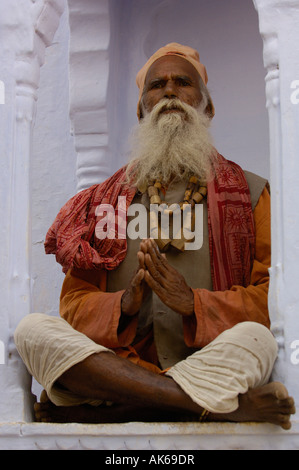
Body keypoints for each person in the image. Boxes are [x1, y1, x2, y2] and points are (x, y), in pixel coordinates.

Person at [14, 43, 295, 428]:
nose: (169, 92)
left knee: (256, 341)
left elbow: (273, 301)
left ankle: (126, 406)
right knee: (32, 331)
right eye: (156, 85)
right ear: (141, 109)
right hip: (121, 365)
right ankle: (206, 406)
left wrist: (194, 304)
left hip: (205, 363)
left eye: (183, 82)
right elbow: (75, 305)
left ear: (207, 108)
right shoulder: (104, 203)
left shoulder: (249, 194)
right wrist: (123, 306)